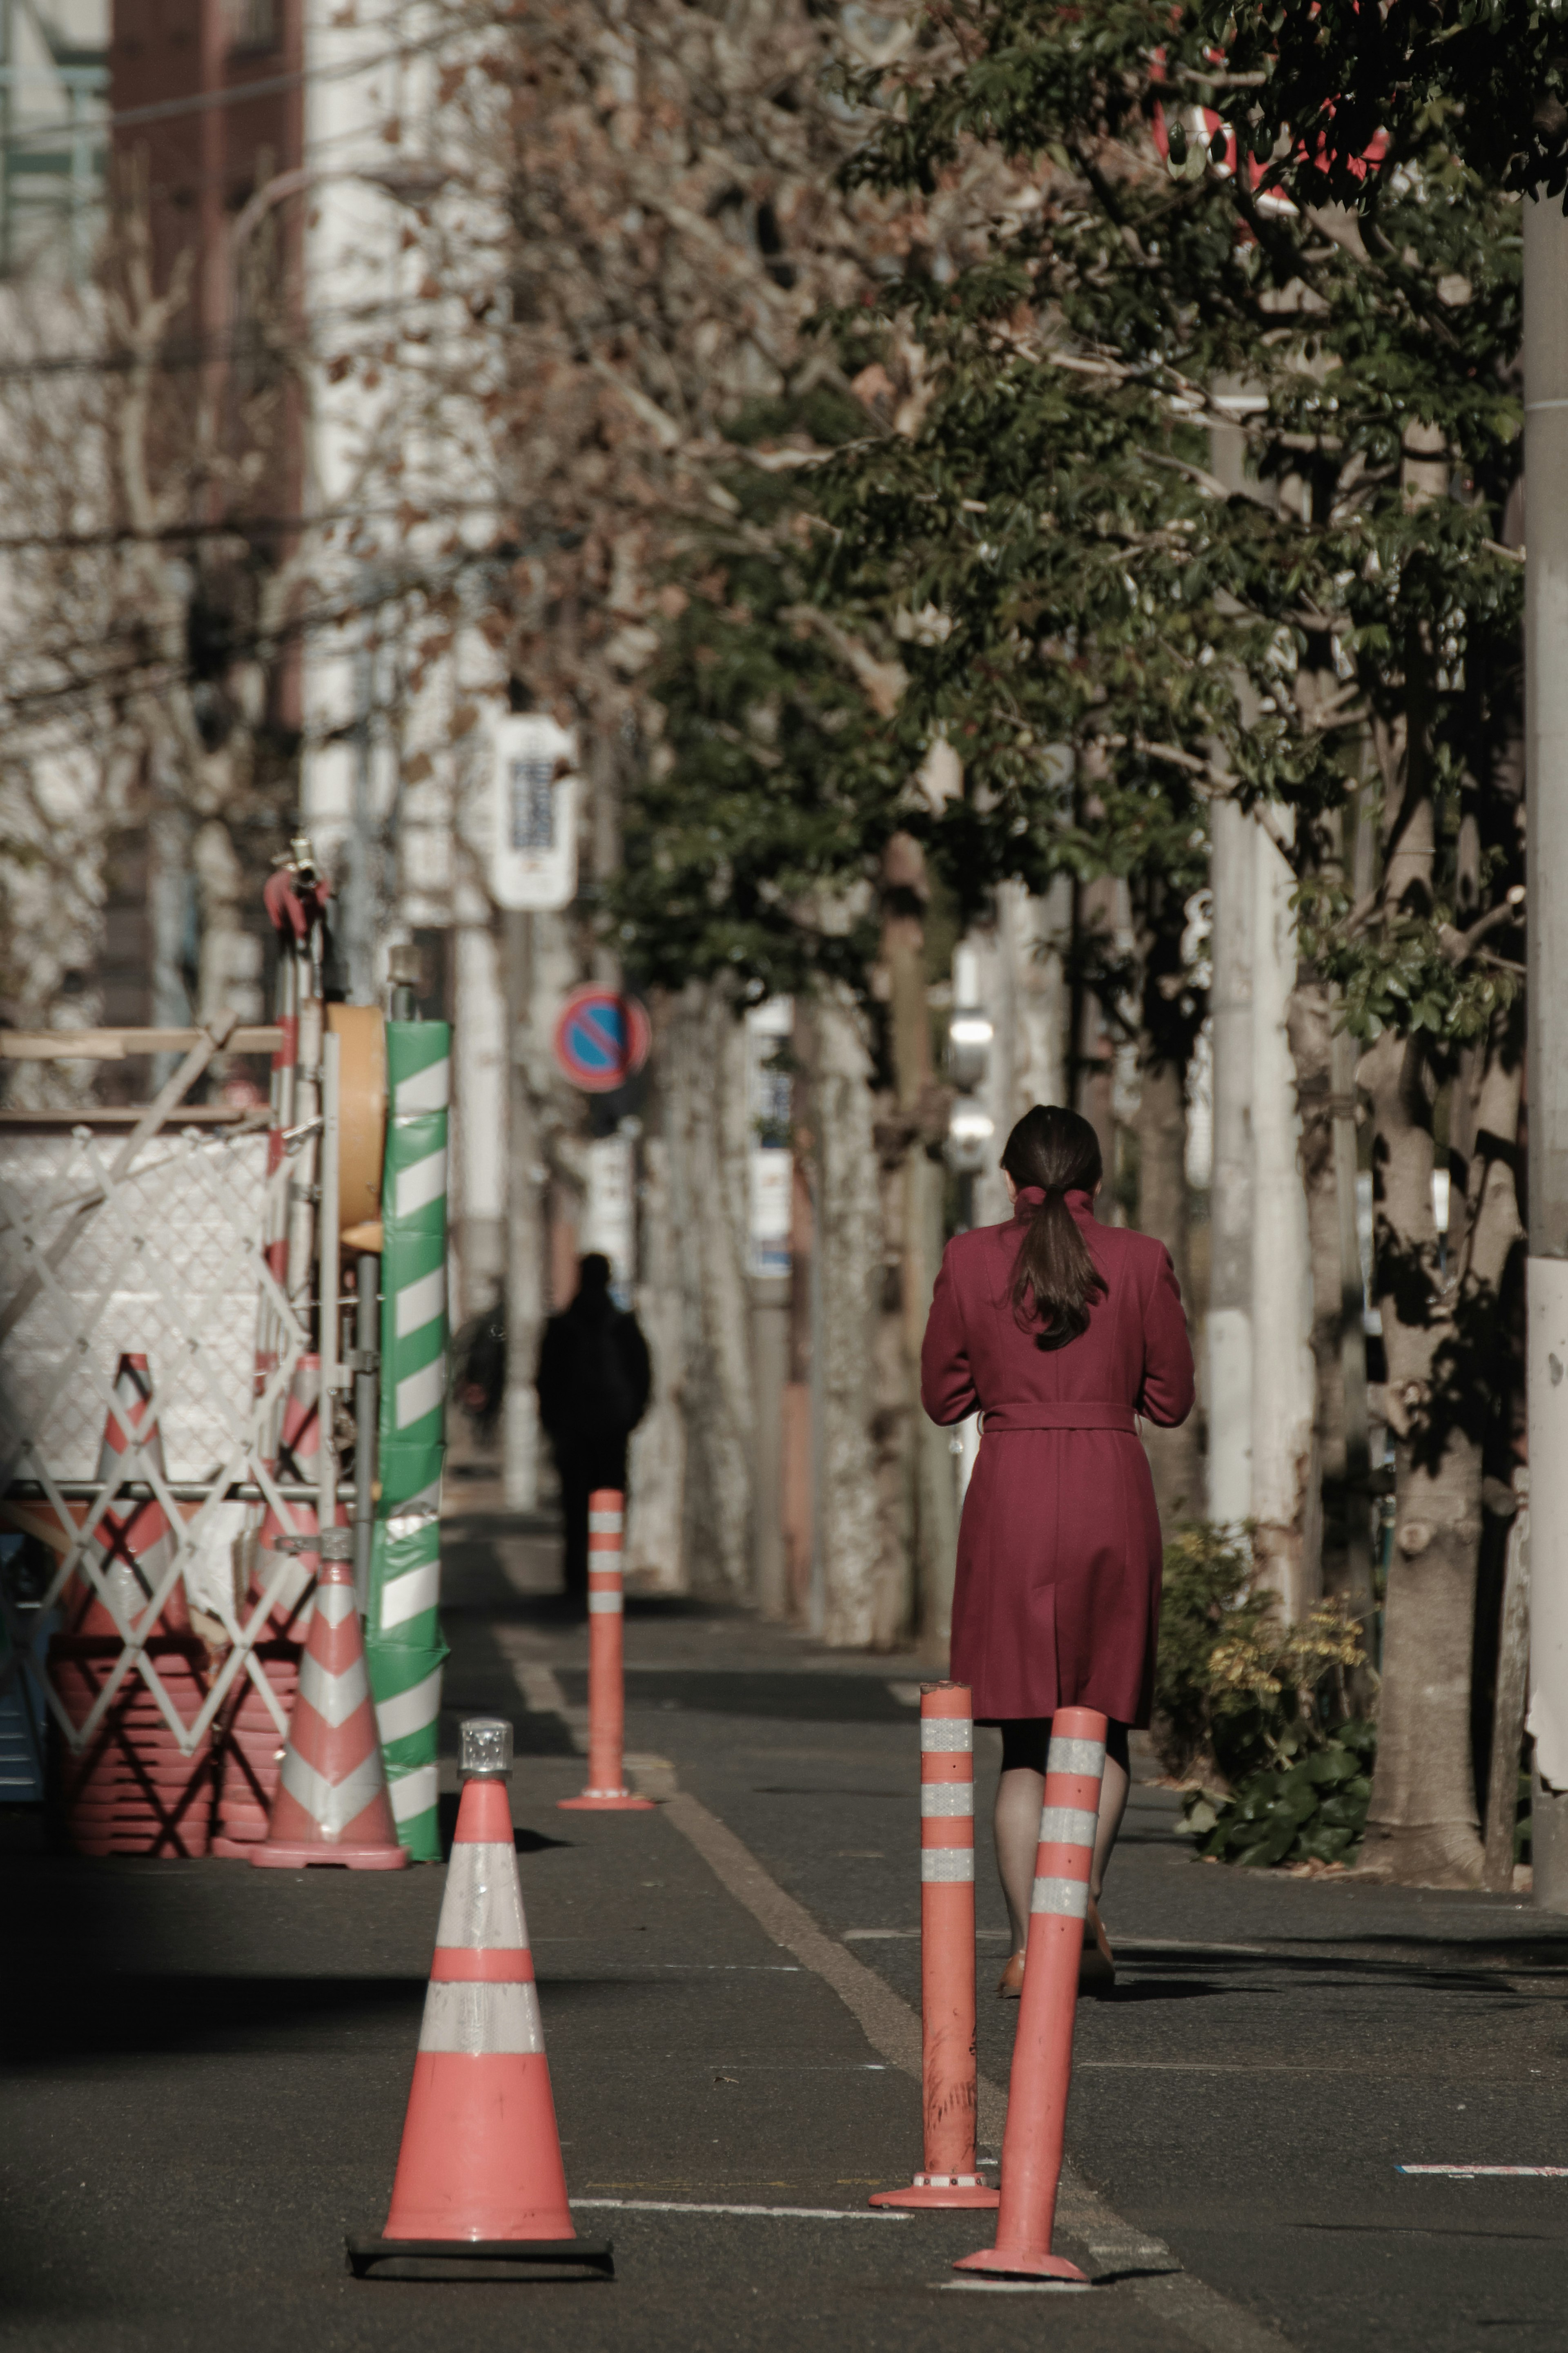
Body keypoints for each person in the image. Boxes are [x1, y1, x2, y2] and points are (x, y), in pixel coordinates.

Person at [920, 1104, 1194, 1994]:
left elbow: (942, 1394)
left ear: (1010, 1180)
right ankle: (1074, 1903)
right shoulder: (1142, 1259)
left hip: (1011, 1494)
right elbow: (1171, 1399)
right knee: (1102, 1723)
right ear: (1097, 1183)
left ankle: (1031, 1944)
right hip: (1112, 1488)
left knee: (1026, 1743)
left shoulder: (968, 1259)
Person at [536, 1253, 652, 1612]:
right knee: (612, 1500)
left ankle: (576, 1578)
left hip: (574, 1430)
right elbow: (643, 1375)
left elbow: (546, 1380)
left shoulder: (563, 1326)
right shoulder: (622, 1325)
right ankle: (607, 1575)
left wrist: (553, 1425)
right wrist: (630, 1418)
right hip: (612, 1430)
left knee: (574, 1506)